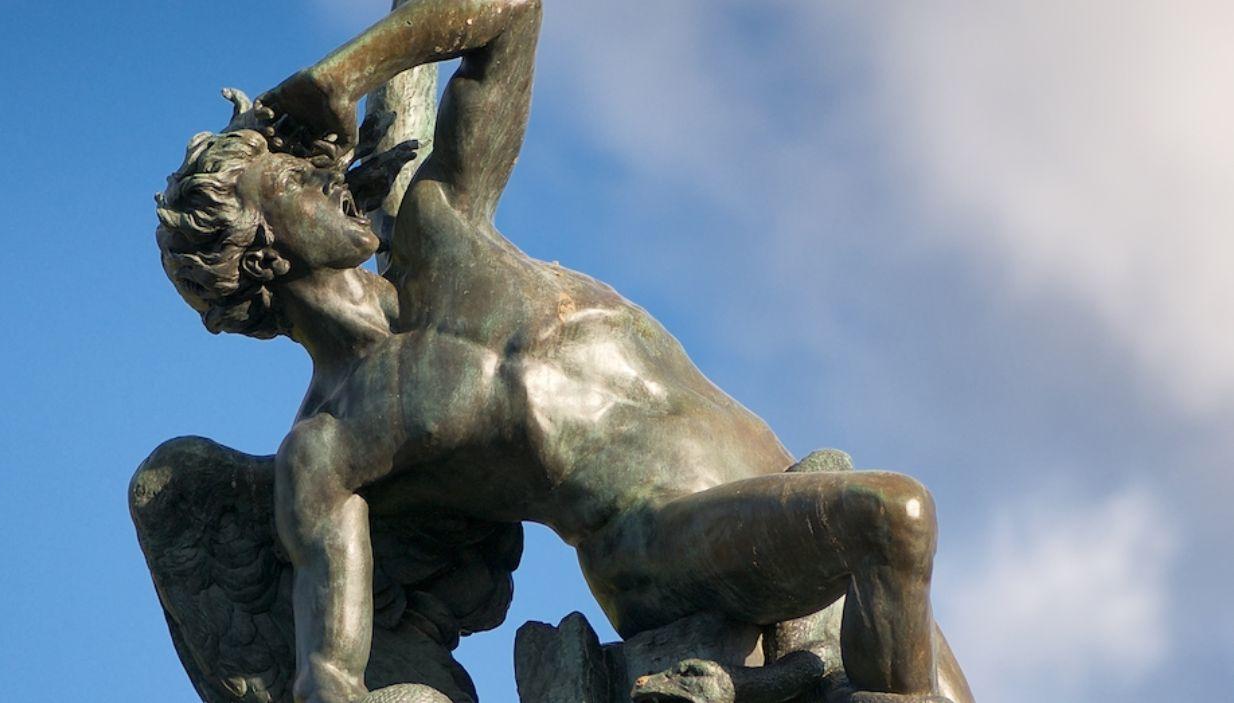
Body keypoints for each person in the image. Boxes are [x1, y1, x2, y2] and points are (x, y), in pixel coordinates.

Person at [155, 1, 971, 701]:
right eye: (294, 184)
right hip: (661, 546)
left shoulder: (442, 229)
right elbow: (328, 672)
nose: (326, 181)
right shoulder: (330, 445)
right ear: (258, 251)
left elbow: (512, 14)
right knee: (895, 517)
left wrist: (343, 73)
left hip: (774, 477)